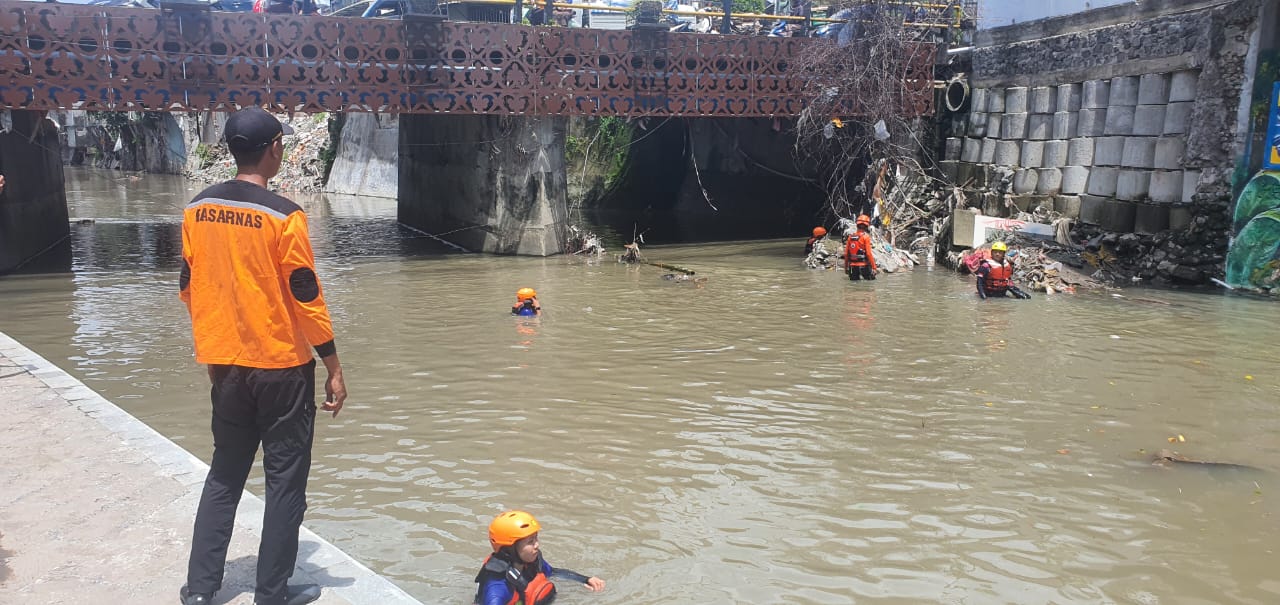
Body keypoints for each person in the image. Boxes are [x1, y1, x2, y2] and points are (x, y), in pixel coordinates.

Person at [178, 107, 347, 605]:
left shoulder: (196, 209)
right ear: (274, 149)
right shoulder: (284, 215)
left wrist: (213, 351)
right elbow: (306, 294)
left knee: (225, 474)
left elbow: (189, 288)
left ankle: (201, 589)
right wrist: (333, 367)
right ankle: (272, 593)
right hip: (281, 369)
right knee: (285, 482)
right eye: (282, 144)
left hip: (225, 366)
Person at [474, 510, 605, 605]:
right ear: (509, 549)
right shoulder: (497, 587)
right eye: (530, 542)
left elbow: (553, 572)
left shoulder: (532, 561)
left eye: (536, 538)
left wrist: (586, 580)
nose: (537, 545)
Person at [843, 214, 877, 281]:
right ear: (867, 226)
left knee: (853, 286)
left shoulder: (850, 237)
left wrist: (846, 267)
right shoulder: (866, 237)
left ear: (857, 225)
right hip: (864, 266)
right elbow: (868, 254)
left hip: (852, 267)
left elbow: (846, 254)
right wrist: (874, 267)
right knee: (869, 286)